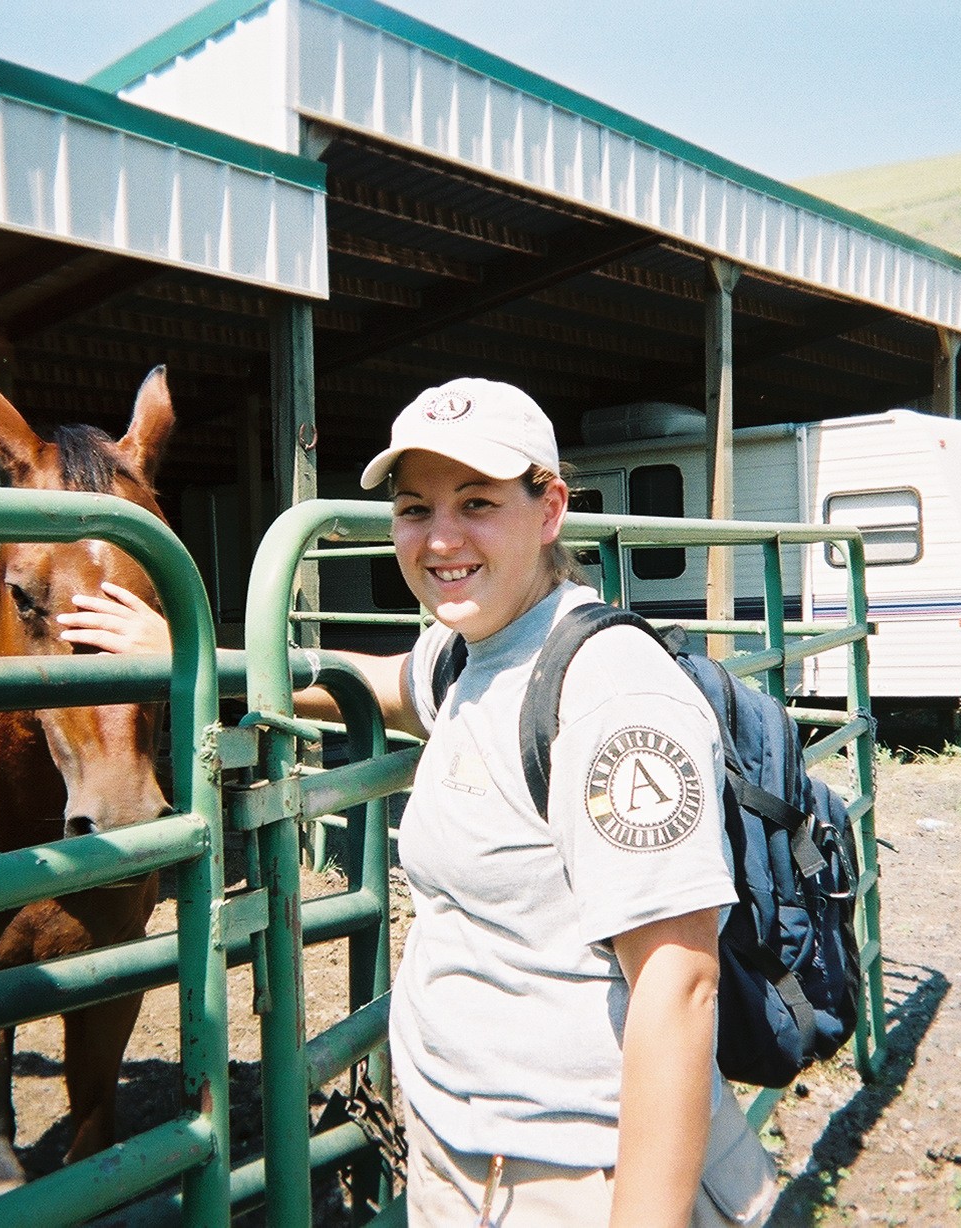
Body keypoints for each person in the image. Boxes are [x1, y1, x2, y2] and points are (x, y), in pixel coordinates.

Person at [59, 378, 775, 1227]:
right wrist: (198, 652)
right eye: (413, 508)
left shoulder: (609, 693)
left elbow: (679, 985)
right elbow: (389, 685)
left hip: (575, 1174)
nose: (439, 538)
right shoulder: (471, 651)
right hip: (462, 1157)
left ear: (551, 509)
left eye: (477, 503)